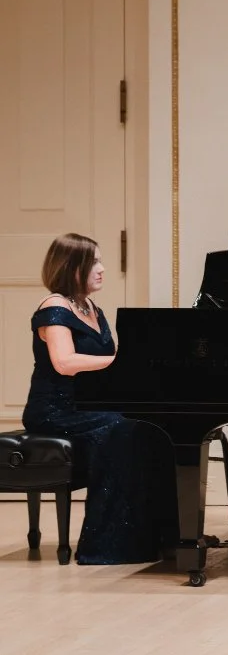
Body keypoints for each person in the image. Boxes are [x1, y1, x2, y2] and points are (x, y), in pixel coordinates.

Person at [21, 233, 178, 565]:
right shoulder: (54, 307)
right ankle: (107, 545)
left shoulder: (93, 309)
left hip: (89, 406)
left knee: (154, 427)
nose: (102, 269)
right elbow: (64, 363)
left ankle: (162, 536)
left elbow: (115, 358)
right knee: (122, 430)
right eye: (94, 262)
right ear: (71, 266)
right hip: (56, 410)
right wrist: (123, 364)